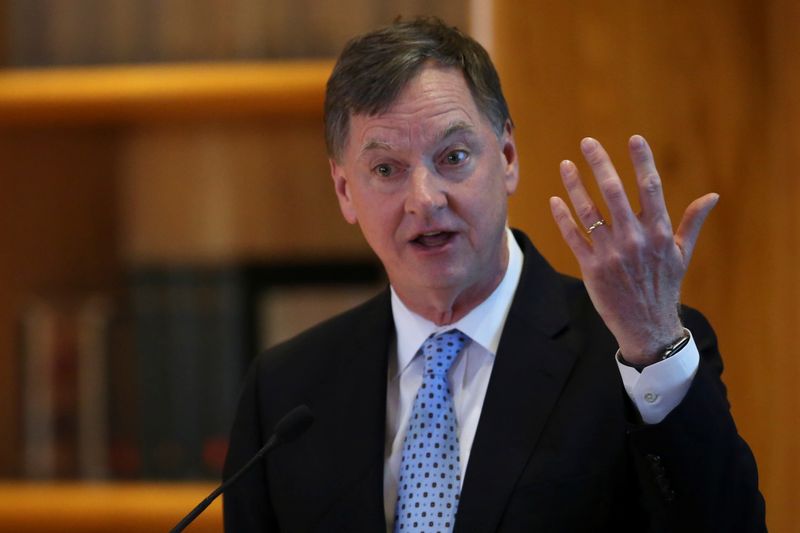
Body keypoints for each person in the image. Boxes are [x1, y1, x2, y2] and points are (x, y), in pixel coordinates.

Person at [223, 17, 765, 532]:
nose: (425, 199)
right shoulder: (286, 391)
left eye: (453, 157)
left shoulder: (632, 355)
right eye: (386, 169)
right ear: (345, 189)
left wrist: (653, 342)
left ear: (506, 156)